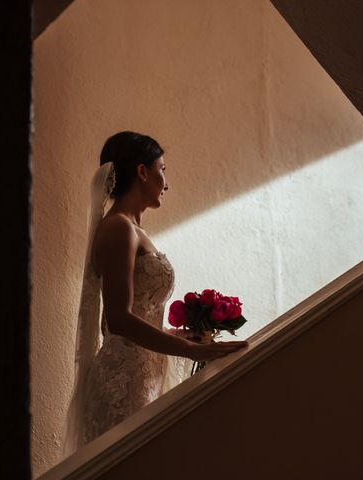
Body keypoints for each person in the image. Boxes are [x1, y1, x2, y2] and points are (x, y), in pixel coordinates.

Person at [63, 131, 248, 454]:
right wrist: (188, 351)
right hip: (123, 381)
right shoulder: (118, 227)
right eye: (162, 169)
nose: (166, 181)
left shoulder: (133, 229)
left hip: (141, 376)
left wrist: (182, 335)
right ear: (142, 171)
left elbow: (135, 318)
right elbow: (118, 321)